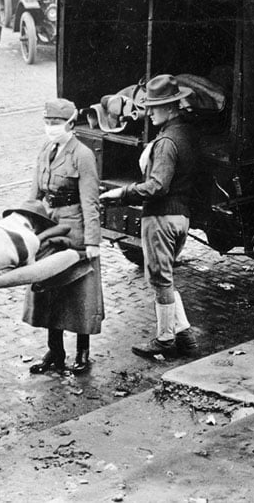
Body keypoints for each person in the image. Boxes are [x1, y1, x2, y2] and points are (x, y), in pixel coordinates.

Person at [100, 74, 200, 359]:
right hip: (181, 217)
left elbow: (157, 186)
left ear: (170, 107)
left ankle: (165, 339)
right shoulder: (186, 132)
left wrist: (121, 194)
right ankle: (185, 337)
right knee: (165, 278)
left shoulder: (167, 141)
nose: (149, 111)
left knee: (159, 281)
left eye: (154, 107)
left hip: (161, 219)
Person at [24, 99, 103, 375]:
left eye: (55, 123)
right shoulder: (46, 149)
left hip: (74, 230)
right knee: (49, 290)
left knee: (79, 293)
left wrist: (92, 241)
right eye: (47, 123)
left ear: (70, 123)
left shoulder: (82, 155)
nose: (50, 128)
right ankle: (55, 351)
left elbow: (90, 201)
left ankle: (83, 351)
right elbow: (34, 194)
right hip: (48, 225)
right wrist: (26, 223)